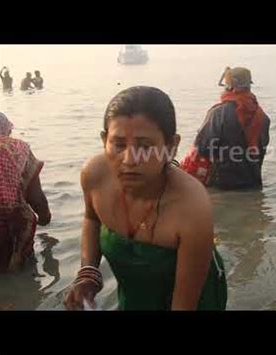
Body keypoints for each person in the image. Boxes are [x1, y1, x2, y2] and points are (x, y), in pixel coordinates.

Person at [64, 86, 227, 310]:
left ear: (171, 146)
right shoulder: (95, 176)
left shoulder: (192, 207)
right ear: (104, 140)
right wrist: (88, 272)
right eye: (118, 144)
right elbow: (92, 218)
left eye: (145, 146)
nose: (130, 160)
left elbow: (184, 306)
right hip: (135, 293)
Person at [181, 67, 270, 190]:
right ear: (249, 86)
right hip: (253, 184)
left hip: (222, 188)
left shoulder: (218, 113)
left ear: (230, 87)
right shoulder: (263, 117)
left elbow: (203, 148)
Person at [0, 112, 51, 273]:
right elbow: (36, 198)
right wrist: (45, 218)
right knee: (19, 281)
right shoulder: (16, 149)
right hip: (9, 235)